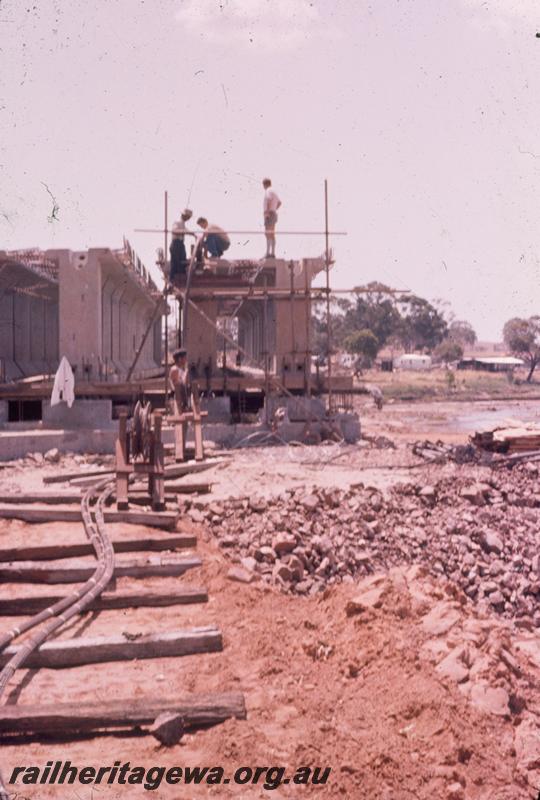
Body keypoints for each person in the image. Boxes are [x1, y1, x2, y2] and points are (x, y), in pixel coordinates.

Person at [169, 209, 193, 284]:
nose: (188, 219)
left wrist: (193, 234)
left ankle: (181, 280)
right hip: (176, 244)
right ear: (184, 216)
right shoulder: (177, 222)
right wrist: (185, 232)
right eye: (188, 217)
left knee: (182, 262)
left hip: (180, 244)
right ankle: (172, 281)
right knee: (175, 263)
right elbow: (174, 230)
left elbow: (186, 231)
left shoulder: (182, 224)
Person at [262, 177, 281, 259]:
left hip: (269, 214)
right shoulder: (274, 191)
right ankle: (272, 253)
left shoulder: (268, 191)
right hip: (273, 213)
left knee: (268, 233)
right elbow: (279, 202)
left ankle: (268, 253)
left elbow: (268, 200)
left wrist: (267, 212)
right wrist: (274, 208)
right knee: (272, 234)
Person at [169, 348, 189, 412]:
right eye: (185, 358)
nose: (186, 360)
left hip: (182, 396)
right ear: (180, 359)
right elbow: (179, 384)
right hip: (176, 397)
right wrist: (186, 372)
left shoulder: (181, 369)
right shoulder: (175, 369)